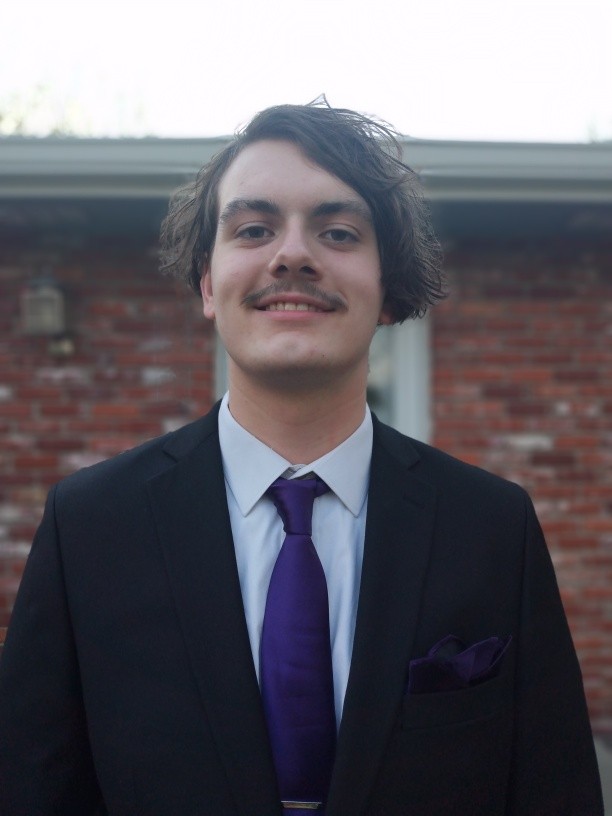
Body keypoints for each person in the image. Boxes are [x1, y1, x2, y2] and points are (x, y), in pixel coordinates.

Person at [0, 100, 603, 816]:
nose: (292, 254)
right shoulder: (89, 526)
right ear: (207, 282)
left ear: (388, 288)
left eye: (338, 232)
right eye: (254, 229)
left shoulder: (493, 529)